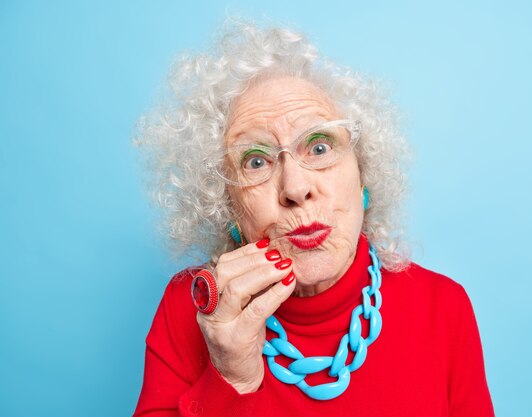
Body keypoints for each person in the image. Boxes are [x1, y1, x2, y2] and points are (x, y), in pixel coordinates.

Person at [133, 22, 494, 417]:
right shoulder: (191, 307)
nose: (295, 187)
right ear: (228, 206)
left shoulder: (442, 308)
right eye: (256, 161)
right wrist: (228, 380)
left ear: (363, 178)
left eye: (319, 147)